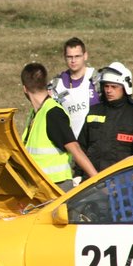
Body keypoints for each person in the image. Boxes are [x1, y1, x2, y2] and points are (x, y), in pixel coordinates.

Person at [21, 63, 97, 191]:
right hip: (40, 186)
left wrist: (97, 180)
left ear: (25, 88)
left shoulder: (53, 113)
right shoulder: (36, 114)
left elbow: (75, 149)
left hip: (56, 186)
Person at [77, 62, 133, 173]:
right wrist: (78, 173)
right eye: (106, 86)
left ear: (124, 87)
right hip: (92, 179)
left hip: (123, 182)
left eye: (114, 87)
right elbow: (81, 147)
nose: (109, 90)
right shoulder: (94, 111)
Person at [49, 37, 100, 139]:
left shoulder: (96, 79)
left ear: (85, 56)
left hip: (96, 140)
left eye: (77, 56)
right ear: (64, 57)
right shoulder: (56, 84)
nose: (73, 61)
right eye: (69, 57)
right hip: (70, 142)